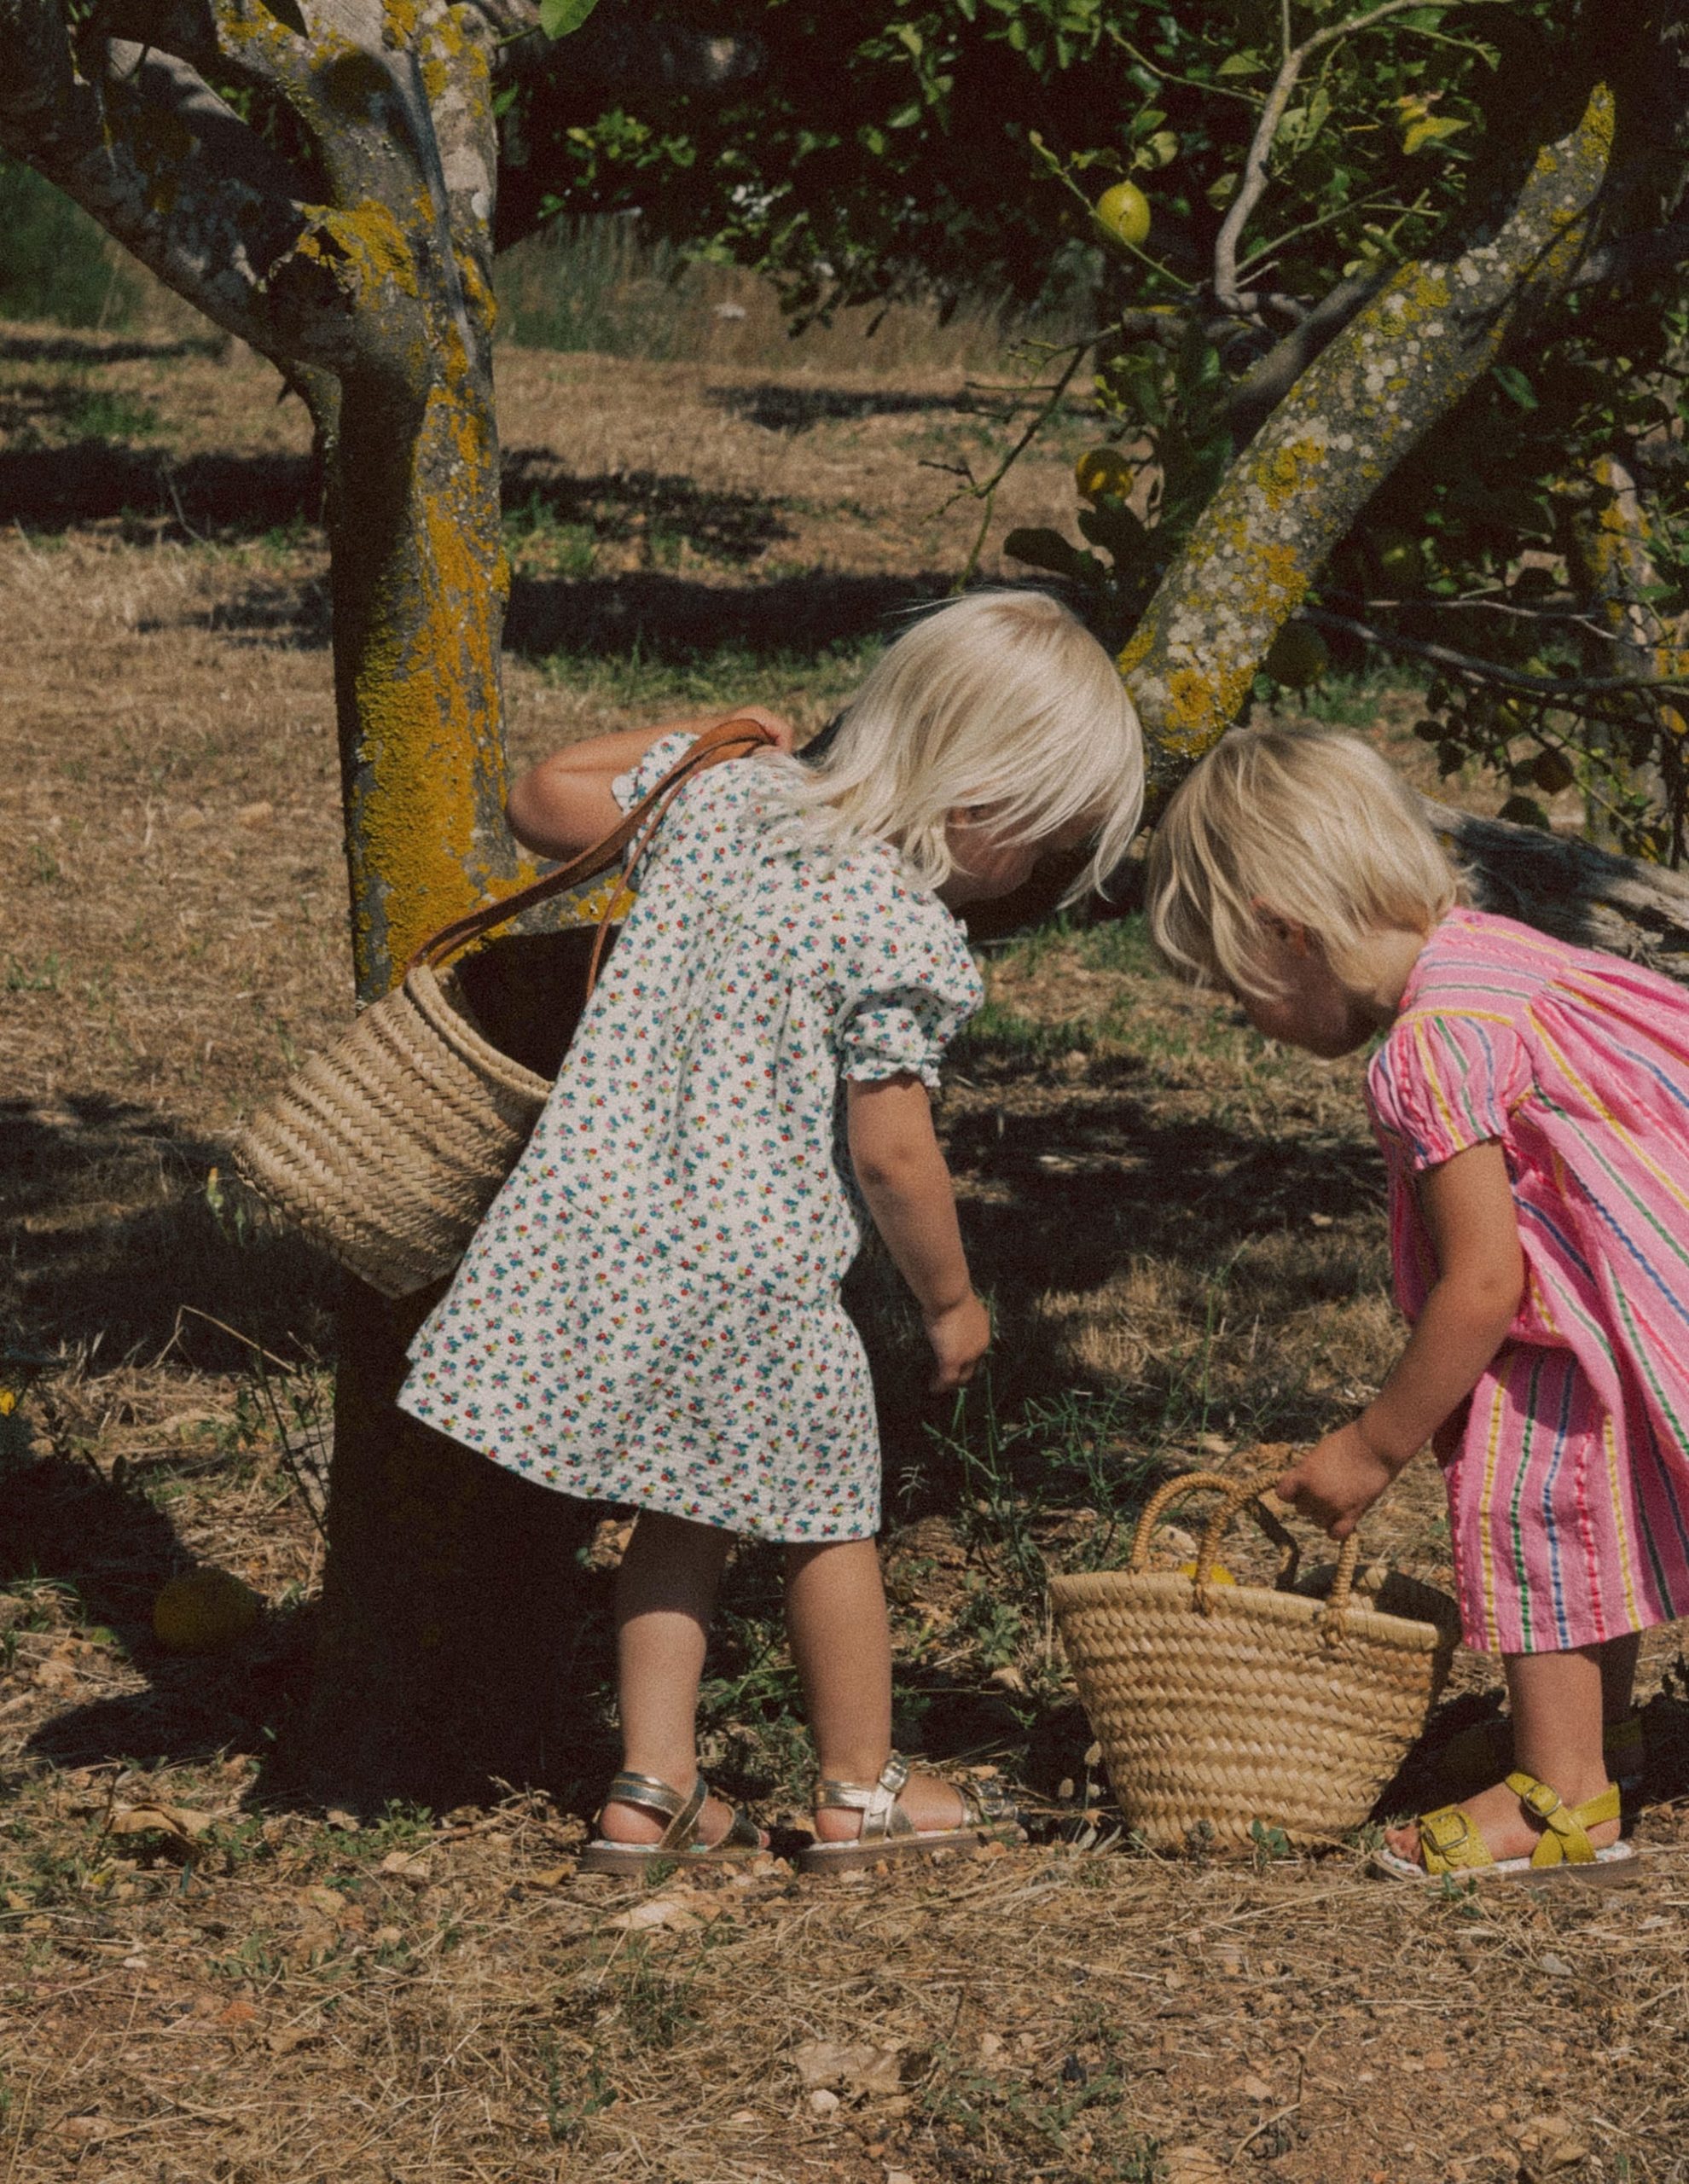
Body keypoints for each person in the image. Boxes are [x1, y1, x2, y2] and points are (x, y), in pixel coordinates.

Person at [399, 589, 1144, 1873]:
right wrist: (951, 1300)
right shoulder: (902, 929)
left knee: (681, 1509)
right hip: (755, 1278)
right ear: (988, 803)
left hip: (601, 1235)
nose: (1037, 875)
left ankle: (653, 1789)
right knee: (829, 1523)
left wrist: (721, 733)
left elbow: (542, 797)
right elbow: (893, 1151)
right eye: (1050, 842)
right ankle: (860, 1787)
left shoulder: (724, 802)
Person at [1146, 723, 1689, 1880]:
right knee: (1581, 1503)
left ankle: (1564, 1796)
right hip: (1639, 1277)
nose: (1248, 1018)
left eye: (1238, 988)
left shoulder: (1431, 1048)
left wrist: (1371, 1446)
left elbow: (1485, 1282)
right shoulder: (1496, 953)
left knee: (1529, 1504)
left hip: (1576, 1310)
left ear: (1286, 933)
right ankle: (1598, 1735)